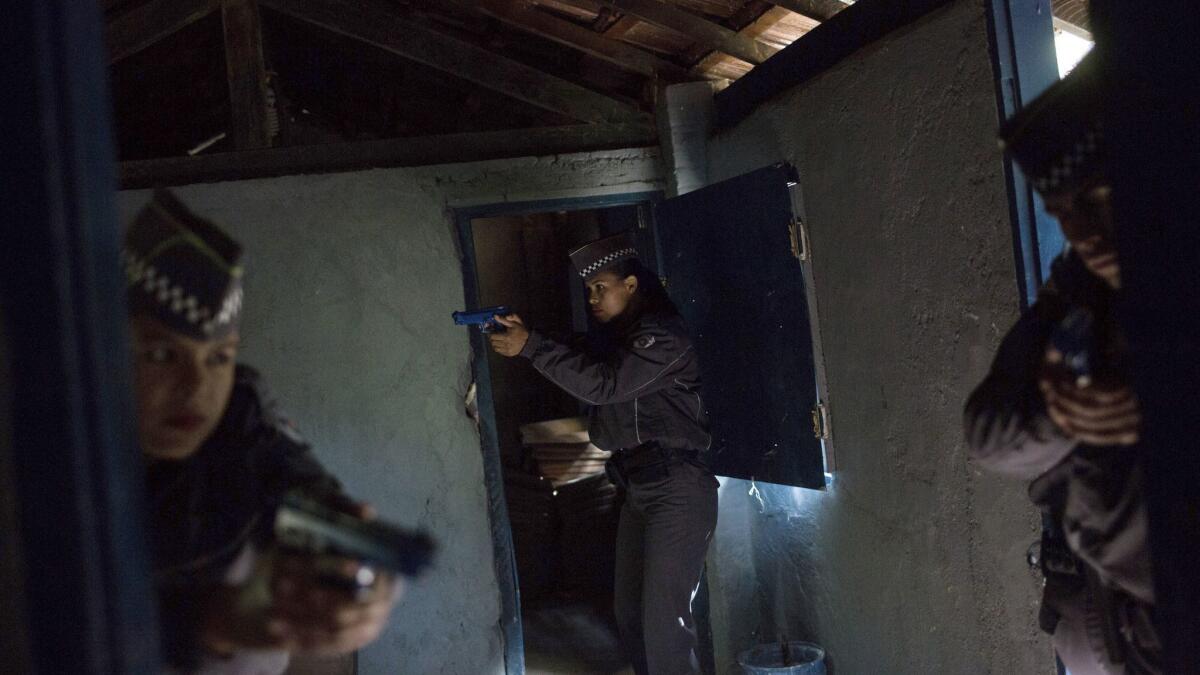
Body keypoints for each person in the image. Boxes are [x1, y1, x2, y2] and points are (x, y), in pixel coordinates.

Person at [124, 189, 401, 673]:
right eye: (162, 355)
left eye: (219, 357)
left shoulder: (239, 408)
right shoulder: (46, 454)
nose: (199, 388)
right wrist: (210, 622)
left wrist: (357, 564)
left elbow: (299, 482)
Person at [965, 54, 1159, 674]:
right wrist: (1069, 414)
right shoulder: (1080, 294)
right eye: (1065, 215)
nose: (1085, 236)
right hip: (1094, 618)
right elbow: (989, 434)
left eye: (1100, 202)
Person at [488, 233, 718, 675]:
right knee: (631, 615)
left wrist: (531, 346)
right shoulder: (621, 341)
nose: (592, 298)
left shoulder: (662, 337)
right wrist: (526, 333)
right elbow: (584, 357)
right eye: (588, 290)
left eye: (601, 287)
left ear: (631, 285)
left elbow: (604, 385)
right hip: (639, 487)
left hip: (678, 487)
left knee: (664, 628)